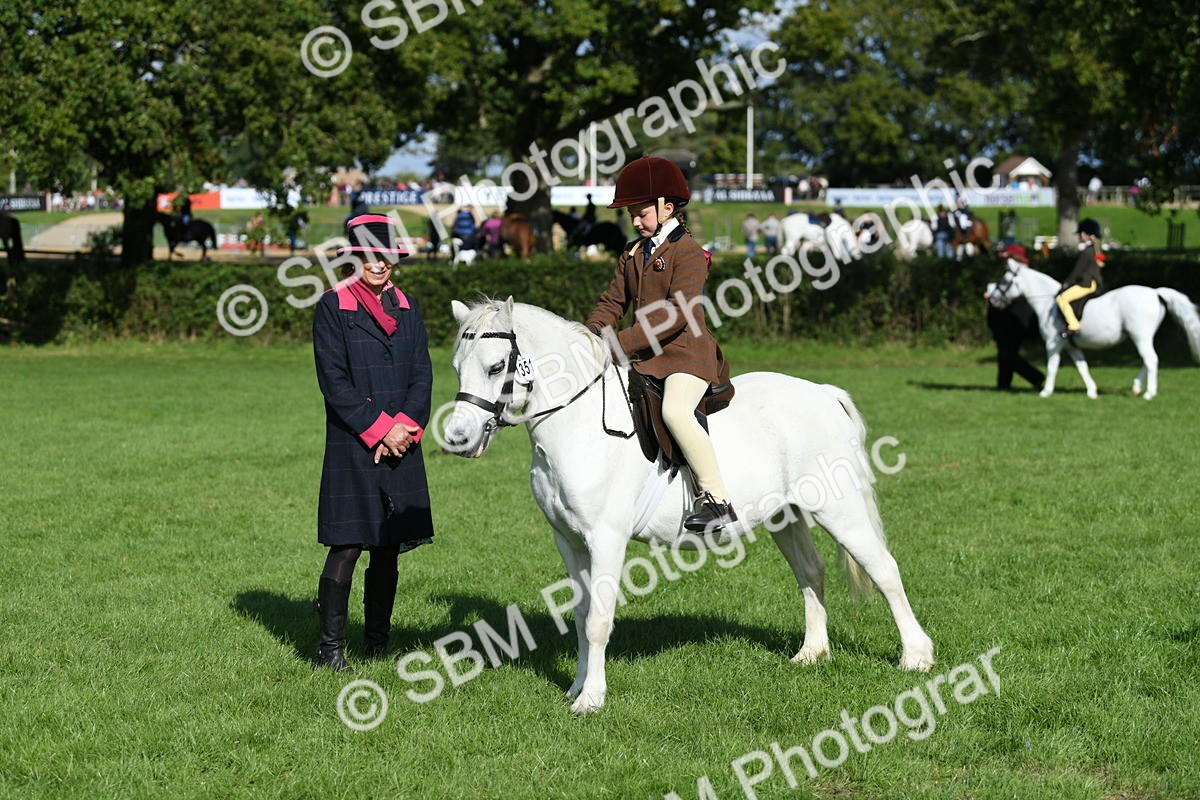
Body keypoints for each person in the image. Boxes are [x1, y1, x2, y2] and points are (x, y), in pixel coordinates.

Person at [585, 156, 737, 532]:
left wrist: (617, 343)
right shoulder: (632, 252)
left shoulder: (689, 252)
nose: (635, 221)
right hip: (645, 356)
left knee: (676, 412)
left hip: (686, 354)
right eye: (631, 215)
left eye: (641, 213)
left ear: (667, 208)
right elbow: (612, 302)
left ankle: (717, 500)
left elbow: (676, 313)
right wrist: (590, 335)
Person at [311, 214, 434, 672]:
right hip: (354, 444)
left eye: (386, 256)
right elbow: (334, 382)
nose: (379, 264)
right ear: (354, 257)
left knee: (387, 545)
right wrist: (380, 429)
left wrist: (405, 428)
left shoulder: (408, 306)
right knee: (347, 545)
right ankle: (329, 650)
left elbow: (422, 374)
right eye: (369, 256)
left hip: (402, 443)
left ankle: (377, 644)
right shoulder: (332, 306)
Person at [988, 244, 1045, 391]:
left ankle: (1035, 377)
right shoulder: (1015, 274)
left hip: (1015, 321)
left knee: (1008, 354)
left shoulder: (1020, 276)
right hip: (1009, 320)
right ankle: (1003, 385)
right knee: (1005, 353)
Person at [1055, 218, 1104, 339]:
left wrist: (1067, 283)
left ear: (1084, 234)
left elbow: (1077, 271)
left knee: (1062, 299)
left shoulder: (1086, 252)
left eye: (1080, 234)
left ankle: (1073, 325)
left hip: (1086, 283)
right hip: (1094, 282)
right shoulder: (1096, 249)